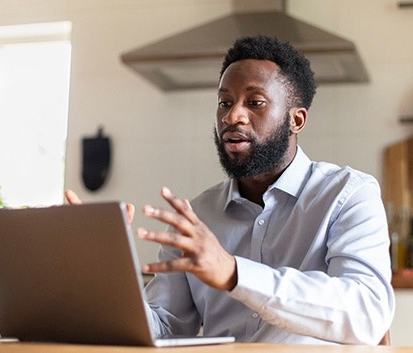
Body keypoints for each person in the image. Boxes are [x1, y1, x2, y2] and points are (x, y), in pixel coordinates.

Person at [67, 34, 394, 345]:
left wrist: (234, 273)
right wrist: (108, 271)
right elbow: (163, 331)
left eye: (255, 102)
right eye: (225, 102)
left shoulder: (347, 195)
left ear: (297, 120)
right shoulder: (194, 219)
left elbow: (367, 312)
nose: (233, 115)